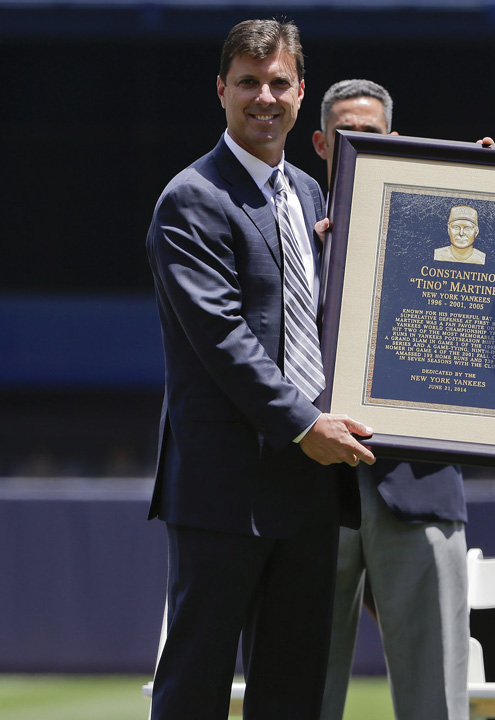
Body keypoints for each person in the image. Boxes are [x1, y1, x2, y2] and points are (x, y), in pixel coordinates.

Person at [144, 19, 377, 720]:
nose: (265, 97)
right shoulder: (192, 199)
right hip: (224, 490)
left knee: (292, 691)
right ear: (222, 91)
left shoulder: (310, 195)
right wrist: (306, 423)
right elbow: (222, 337)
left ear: (302, 92)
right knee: (195, 685)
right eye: (249, 82)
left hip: (307, 488)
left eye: (279, 82)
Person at [310, 78, 469, 720]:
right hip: (311, 489)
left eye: (369, 134)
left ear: (394, 140)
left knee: (437, 699)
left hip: (419, 479)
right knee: (299, 694)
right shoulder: (288, 222)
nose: (354, 145)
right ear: (320, 143)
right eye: (342, 134)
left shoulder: (446, 217)